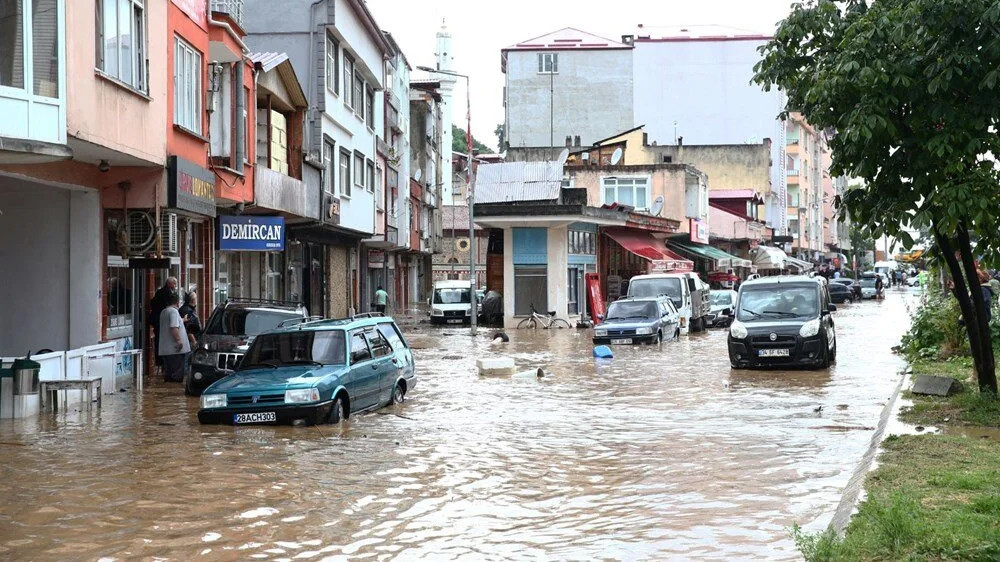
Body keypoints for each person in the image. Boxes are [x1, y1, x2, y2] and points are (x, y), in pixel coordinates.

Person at [158, 292, 190, 382]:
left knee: (168, 376)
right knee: (176, 376)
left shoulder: (164, 311)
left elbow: (171, 325)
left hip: (166, 349)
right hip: (175, 350)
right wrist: (179, 341)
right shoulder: (173, 311)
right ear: (177, 302)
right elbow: (173, 327)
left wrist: (182, 320)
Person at [149, 277, 177, 367]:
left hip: (157, 320)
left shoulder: (160, 291)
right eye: (174, 284)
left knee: (159, 340)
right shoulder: (166, 293)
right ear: (169, 283)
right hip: (161, 321)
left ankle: (160, 361)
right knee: (161, 341)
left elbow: (152, 302)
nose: (175, 286)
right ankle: (162, 361)